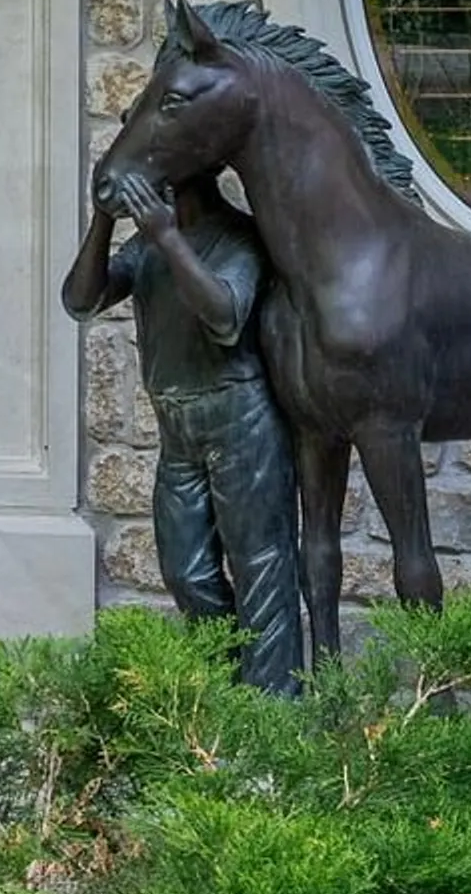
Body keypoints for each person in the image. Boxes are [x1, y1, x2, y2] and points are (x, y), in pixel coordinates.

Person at [60, 163, 305, 693]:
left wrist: (168, 238)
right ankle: (224, 692)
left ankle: (274, 717)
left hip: (240, 421)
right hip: (178, 430)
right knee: (186, 572)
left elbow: (224, 314)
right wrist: (103, 221)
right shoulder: (145, 245)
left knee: (261, 567)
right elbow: (80, 301)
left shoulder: (239, 235)